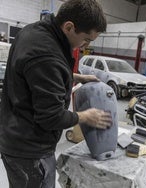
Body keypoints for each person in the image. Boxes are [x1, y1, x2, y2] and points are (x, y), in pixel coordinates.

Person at [0, 0, 112, 188]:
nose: (85, 45)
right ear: (69, 27)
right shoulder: (47, 55)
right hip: (30, 148)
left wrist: (74, 77)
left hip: (12, 131)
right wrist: (85, 116)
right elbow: (50, 117)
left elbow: (33, 76)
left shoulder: (34, 31)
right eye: (87, 39)